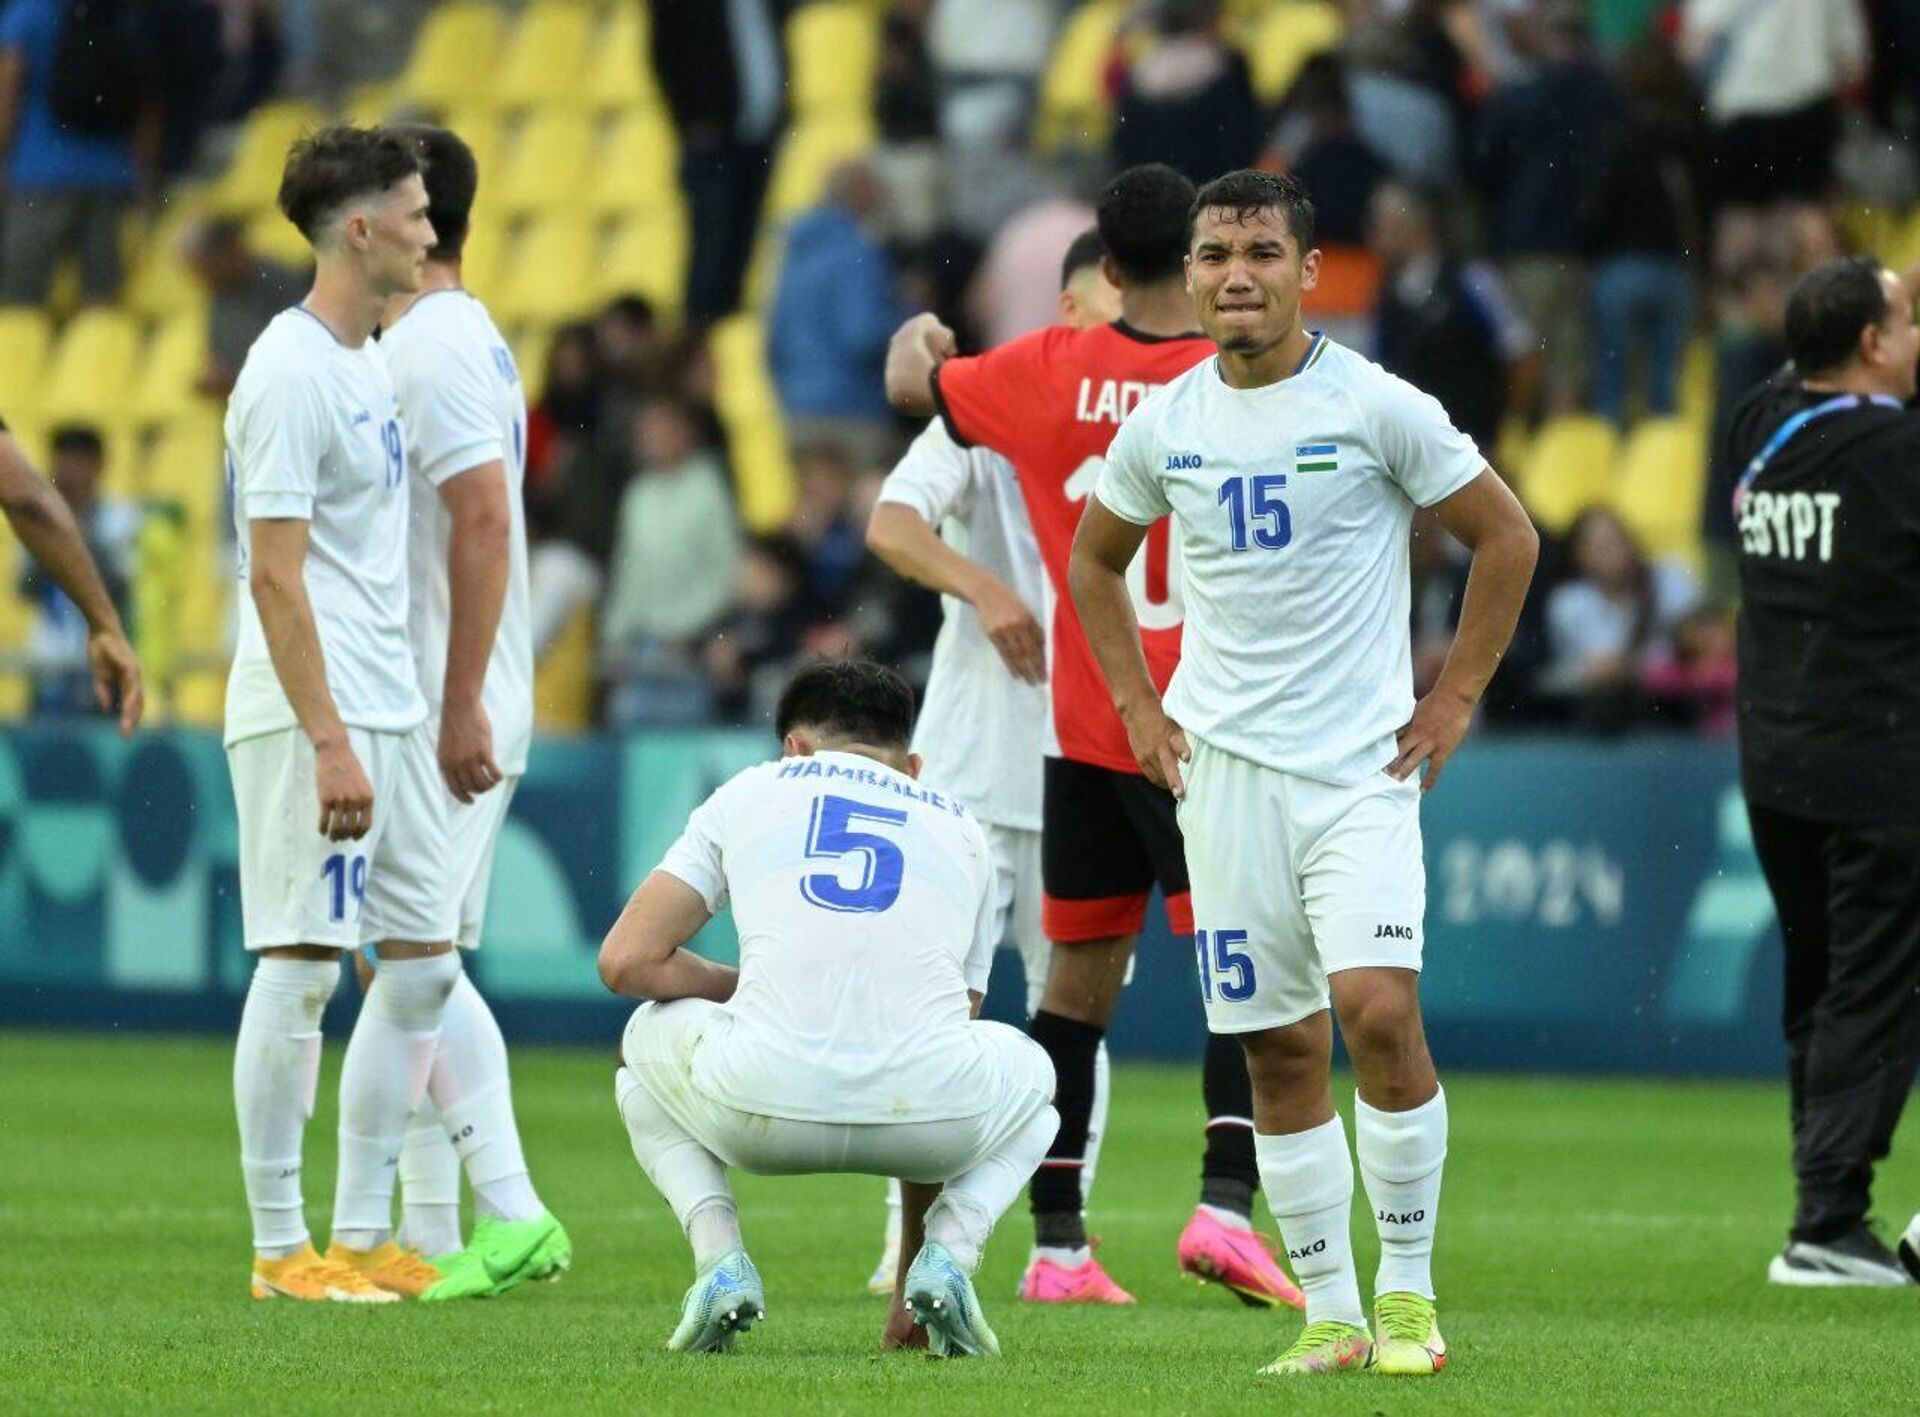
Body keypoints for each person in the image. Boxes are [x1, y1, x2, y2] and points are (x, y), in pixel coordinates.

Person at [1070, 169, 1537, 1376]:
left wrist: (1455, 697)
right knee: (1278, 1049)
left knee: (1378, 1011)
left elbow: (1507, 536)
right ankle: (1331, 1314)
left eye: (1262, 253)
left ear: (1307, 271)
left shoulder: (1379, 405)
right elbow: (1094, 564)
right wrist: (1137, 702)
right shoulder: (1167, 421)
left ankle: (1411, 1303)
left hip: (1354, 774)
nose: (1237, 273)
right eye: (1216, 253)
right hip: (1221, 779)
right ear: (1188, 274)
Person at [886, 164, 1295, 1311]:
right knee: (1251, 973)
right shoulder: (1241, 379)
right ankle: (1224, 1203)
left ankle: (1058, 1243)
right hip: (1204, 728)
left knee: (1073, 991)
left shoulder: (1048, 370)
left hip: (1082, 730)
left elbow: (913, 383)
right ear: (1203, 260)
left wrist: (924, 330)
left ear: (1107, 269)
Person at [601, 658, 1059, 1358]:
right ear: (911, 762)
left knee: (641, 1044)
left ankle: (720, 1259)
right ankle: (948, 1254)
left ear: (795, 749)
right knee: (1038, 1088)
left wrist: (737, 987)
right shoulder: (964, 829)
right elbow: (947, 1024)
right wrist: (909, 1274)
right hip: (923, 1117)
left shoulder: (752, 788)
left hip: (758, 1115)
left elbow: (627, 959)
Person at [860, 226, 1129, 1294]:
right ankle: (911, 1236)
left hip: (1092, 756)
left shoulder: (1174, 406)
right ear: (1069, 308)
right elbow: (891, 521)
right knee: (941, 1008)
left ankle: (1058, 1242)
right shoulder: (1003, 404)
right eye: (1114, 302)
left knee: (1077, 1013)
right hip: (973, 763)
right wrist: (984, 586)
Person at [223, 125, 459, 1303]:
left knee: (420, 966)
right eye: (416, 211)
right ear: (360, 227)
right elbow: (275, 572)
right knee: (305, 963)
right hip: (314, 716)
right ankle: (280, 1247)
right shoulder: (288, 369)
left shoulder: (368, 360)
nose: (432, 228)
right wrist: (326, 736)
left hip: (391, 707)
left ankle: (363, 1234)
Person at [372, 122, 570, 1299]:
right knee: (403, 964)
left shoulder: (433, 348)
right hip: (456, 684)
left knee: (412, 960)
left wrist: (457, 703)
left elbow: (486, 525)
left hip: (449, 692)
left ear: (420, 216)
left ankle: (509, 1211)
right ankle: (442, 1233)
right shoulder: (460, 337)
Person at [1724, 257, 1920, 1288]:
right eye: (1909, 321)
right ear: (1876, 346)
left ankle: (1824, 1208)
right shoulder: (1893, 451)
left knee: (1822, 984)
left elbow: (1789, 370)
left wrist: (1859, 300)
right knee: (1876, 992)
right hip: (1878, 762)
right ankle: (1827, 1218)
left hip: (1777, 764)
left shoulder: (1760, 432)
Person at [0, 0, 154, 304]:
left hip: (39, 173)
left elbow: (7, 94)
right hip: (110, 175)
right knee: (102, 302)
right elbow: (147, 101)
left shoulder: (30, 12)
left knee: (20, 298)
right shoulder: (123, 16)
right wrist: (140, 170)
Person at [0, 417, 140, 732]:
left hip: (101, 671)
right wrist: (51, 526)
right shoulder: (35, 522)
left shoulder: (119, 519)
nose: (67, 471)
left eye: (77, 461)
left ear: (98, 466)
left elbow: (122, 587)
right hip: (49, 670)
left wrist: (70, 529)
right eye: (61, 459)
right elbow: (25, 586)